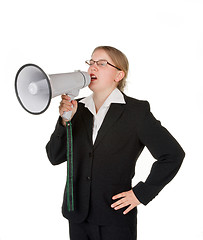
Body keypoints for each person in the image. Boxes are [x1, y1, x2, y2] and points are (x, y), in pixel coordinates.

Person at [46, 46, 185, 240]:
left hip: (115, 219)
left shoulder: (136, 112)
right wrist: (64, 122)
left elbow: (173, 155)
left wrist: (141, 194)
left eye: (102, 64)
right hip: (77, 217)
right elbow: (54, 156)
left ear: (119, 74)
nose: (93, 68)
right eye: (91, 63)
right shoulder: (77, 109)